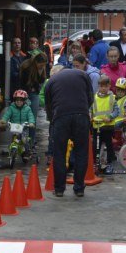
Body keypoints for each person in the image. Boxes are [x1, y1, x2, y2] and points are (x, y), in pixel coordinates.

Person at [44, 60, 93, 197]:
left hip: (61, 117)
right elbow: (90, 97)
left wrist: (53, 120)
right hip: (81, 116)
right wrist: (83, 110)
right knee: (81, 152)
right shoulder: (82, 74)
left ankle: (59, 189)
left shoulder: (51, 81)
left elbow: (48, 106)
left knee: (59, 153)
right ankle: (79, 188)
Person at [91, 75, 120, 174]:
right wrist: (90, 116)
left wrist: (110, 117)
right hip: (97, 126)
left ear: (109, 86)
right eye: (101, 86)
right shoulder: (94, 98)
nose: (103, 88)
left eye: (106, 86)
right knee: (96, 146)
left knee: (109, 146)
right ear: (98, 86)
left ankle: (109, 164)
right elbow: (91, 109)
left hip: (108, 127)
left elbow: (117, 111)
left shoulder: (112, 98)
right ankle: (95, 163)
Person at [19, 52, 47, 129]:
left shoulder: (41, 68)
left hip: (34, 93)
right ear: (36, 62)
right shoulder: (27, 68)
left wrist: (40, 72)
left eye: (44, 65)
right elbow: (25, 83)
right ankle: (22, 135)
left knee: (33, 118)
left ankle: (32, 136)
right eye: (41, 65)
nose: (42, 67)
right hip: (24, 93)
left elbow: (41, 81)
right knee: (24, 118)